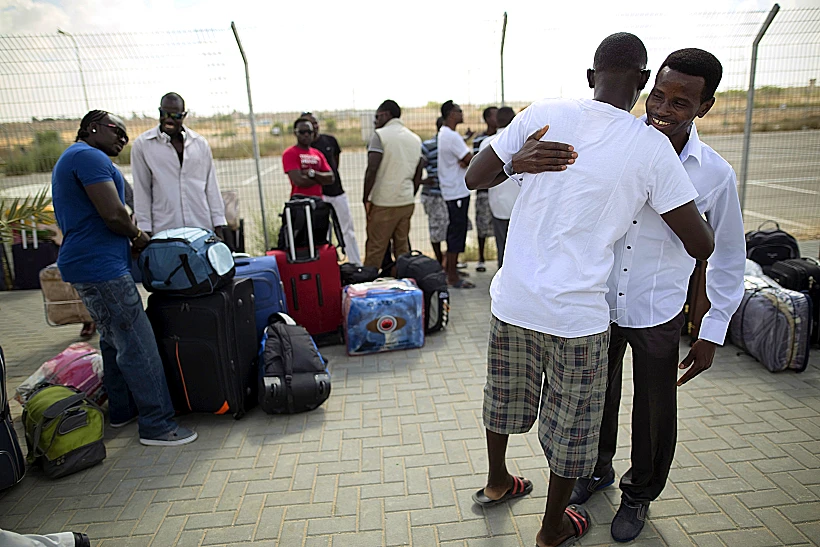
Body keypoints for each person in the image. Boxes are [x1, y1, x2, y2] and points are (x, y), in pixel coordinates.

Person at [465, 33, 715, 547]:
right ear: (645, 83)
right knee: (572, 426)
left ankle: (496, 482)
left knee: (504, 398)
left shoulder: (544, 113)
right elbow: (701, 242)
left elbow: (476, 176)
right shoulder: (650, 147)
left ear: (589, 76)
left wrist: (518, 164)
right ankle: (552, 528)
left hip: (512, 298)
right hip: (577, 315)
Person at [569, 48, 746, 542]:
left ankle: (639, 493)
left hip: (658, 311)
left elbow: (729, 257)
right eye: (658, 96)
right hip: (597, 304)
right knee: (592, 398)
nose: (664, 110)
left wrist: (711, 332)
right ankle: (594, 469)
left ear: (704, 108)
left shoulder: (714, 174)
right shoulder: (613, 145)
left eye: (681, 103)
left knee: (654, 411)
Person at [52, 110, 197, 447]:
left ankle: (122, 410)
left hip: (92, 264)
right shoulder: (87, 156)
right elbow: (114, 214)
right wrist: (137, 235)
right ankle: (158, 424)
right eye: (116, 130)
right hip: (101, 269)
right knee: (137, 343)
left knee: (113, 339)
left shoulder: (76, 158)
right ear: (92, 128)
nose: (122, 138)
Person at [131, 93, 228, 240]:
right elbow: (141, 190)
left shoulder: (200, 144)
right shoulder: (143, 145)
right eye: (164, 114)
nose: (168, 119)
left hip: (201, 228)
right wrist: (145, 229)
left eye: (175, 115)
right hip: (164, 231)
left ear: (184, 115)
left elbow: (211, 186)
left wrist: (219, 224)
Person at [362, 100, 424, 269]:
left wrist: (365, 197)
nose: (375, 121)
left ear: (386, 114)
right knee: (402, 248)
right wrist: (410, 193)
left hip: (383, 202)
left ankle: (369, 288)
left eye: (377, 117)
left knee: (376, 248)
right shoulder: (415, 138)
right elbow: (418, 173)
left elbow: (372, 168)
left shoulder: (380, 135)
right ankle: (404, 287)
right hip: (406, 201)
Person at [302, 112, 362, 265]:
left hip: (336, 192)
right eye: (309, 125)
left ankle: (355, 263)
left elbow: (335, 164)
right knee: (321, 232)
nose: (313, 127)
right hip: (317, 195)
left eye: (315, 123)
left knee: (347, 229)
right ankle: (327, 265)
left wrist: (328, 178)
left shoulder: (330, 141)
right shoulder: (305, 149)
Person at [437, 100, 476, 288]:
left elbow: (464, 159)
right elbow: (469, 160)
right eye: (459, 111)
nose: (462, 113)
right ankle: (452, 276)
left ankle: (451, 269)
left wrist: (464, 158)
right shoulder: (451, 136)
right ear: (451, 114)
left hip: (453, 190)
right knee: (456, 233)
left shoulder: (446, 134)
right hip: (456, 192)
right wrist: (467, 159)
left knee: (455, 231)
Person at [477, 106, 517, 268]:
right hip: (521, 205)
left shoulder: (488, 142)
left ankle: (504, 283)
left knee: (503, 247)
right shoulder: (523, 141)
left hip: (498, 205)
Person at [470, 106, 498, 272]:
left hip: (499, 189)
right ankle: (480, 258)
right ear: (487, 119)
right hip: (483, 191)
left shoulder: (505, 136)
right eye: (494, 116)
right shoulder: (479, 140)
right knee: (482, 224)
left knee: (500, 226)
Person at [282, 118, 335, 198]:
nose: (306, 135)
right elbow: (299, 181)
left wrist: (312, 173)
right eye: (302, 132)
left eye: (309, 132)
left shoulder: (318, 154)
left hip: (318, 201)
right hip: (299, 201)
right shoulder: (290, 153)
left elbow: (331, 177)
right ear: (295, 133)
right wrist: (321, 180)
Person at [420, 117, 448, 264]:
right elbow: (417, 166)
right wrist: (422, 181)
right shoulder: (428, 146)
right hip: (434, 194)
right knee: (436, 230)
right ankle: (439, 263)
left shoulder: (454, 143)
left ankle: (448, 263)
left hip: (450, 194)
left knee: (450, 230)